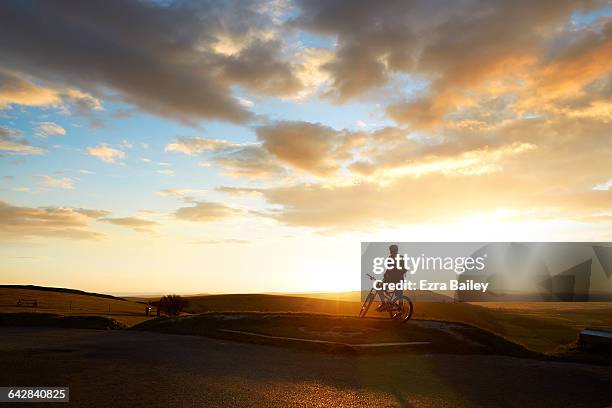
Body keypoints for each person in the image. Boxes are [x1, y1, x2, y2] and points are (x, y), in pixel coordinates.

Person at [376, 244, 406, 312]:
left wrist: (386, 274)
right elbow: (389, 269)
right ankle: (392, 306)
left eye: (391, 250)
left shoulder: (394, 258)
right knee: (399, 295)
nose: (390, 251)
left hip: (394, 280)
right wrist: (386, 274)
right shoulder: (399, 258)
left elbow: (389, 270)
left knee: (379, 287)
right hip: (397, 280)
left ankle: (385, 304)